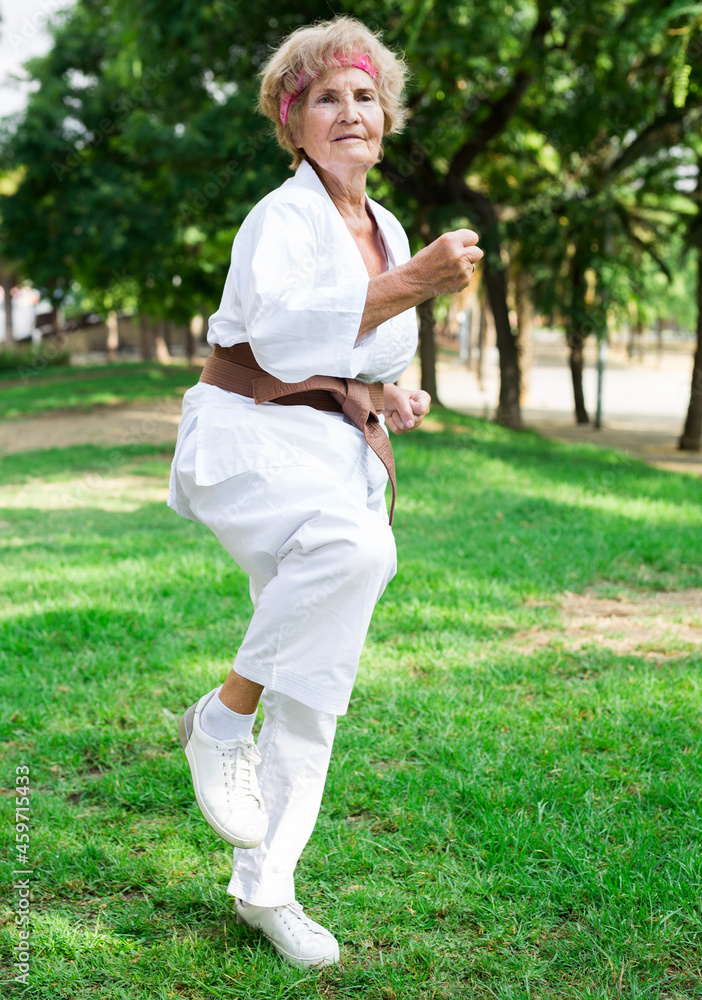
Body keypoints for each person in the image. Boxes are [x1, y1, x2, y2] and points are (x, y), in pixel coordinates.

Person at [169, 15, 482, 970]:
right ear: (291, 120)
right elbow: (284, 341)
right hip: (251, 445)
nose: (351, 112)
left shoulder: (382, 225)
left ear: (385, 119)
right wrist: (416, 281)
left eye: (365, 97)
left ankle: (268, 889)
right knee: (358, 553)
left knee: (313, 686)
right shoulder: (281, 216)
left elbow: (359, 354)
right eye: (327, 99)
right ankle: (222, 713)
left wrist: (390, 392)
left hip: (338, 455)